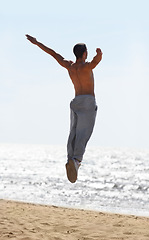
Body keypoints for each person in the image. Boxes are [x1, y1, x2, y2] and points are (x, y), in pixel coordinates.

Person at [26, 34, 102, 183]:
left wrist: (37, 43)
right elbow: (96, 61)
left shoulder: (70, 66)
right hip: (87, 102)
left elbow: (53, 53)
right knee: (84, 133)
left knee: (73, 132)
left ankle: (70, 158)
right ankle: (77, 161)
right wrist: (99, 54)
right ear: (85, 53)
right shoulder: (87, 66)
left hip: (75, 102)